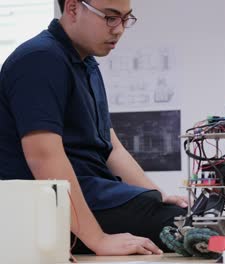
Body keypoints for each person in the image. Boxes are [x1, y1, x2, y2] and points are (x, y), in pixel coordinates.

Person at [0, 0, 187, 256]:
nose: (119, 29)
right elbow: (43, 157)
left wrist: (154, 193)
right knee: (182, 226)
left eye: (125, 19)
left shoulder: (86, 64)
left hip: (91, 193)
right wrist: (98, 239)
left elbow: (111, 147)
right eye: (110, 17)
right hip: (48, 210)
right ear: (74, 8)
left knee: (189, 217)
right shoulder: (39, 60)